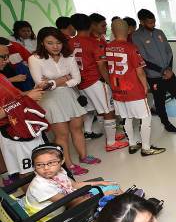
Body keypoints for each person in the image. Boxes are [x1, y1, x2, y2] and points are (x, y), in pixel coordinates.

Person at [29, 27, 100, 175]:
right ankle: (68, 164)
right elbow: (41, 84)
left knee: (77, 128)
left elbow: (77, 79)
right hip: (50, 100)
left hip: (69, 95)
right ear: (42, 43)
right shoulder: (35, 59)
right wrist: (63, 79)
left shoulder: (69, 56)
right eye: (50, 43)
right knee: (62, 134)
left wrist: (54, 82)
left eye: (58, 42)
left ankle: (84, 156)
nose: (55, 46)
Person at [132, 9, 176, 133]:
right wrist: (162, 71)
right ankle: (166, 123)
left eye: (154, 22)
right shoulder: (136, 37)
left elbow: (169, 52)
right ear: (142, 22)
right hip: (154, 76)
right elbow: (142, 59)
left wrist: (169, 69)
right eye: (149, 23)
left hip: (169, 73)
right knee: (160, 101)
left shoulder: (159, 32)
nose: (153, 25)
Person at [68, 13, 129, 150]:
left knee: (93, 109)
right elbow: (101, 66)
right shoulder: (92, 43)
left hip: (80, 82)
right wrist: (110, 83)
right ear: (91, 25)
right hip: (95, 81)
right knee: (108, 111)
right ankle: (111, 143)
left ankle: (99, 133)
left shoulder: (69, 42)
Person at [106, 19, 166, 157]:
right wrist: (145, 86)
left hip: (117, 90)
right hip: (133, 90)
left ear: (113, 31)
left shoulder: (108, 47)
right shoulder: (131, 48)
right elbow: (140, 71)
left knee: (126, 117)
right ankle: (146, 148)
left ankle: (132, 144)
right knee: (146, 117)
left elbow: (104, 66)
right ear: (128, 31)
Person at [24, 144, 122, 222]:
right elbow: (69, 202)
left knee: (111, 185)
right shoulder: (41, 185)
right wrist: (102, 194)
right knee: (112, 192)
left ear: (62, 161)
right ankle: (125, 213)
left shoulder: (60, 171)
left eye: (51, 163)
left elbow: (74, 185)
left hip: (68, 199)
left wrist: (99, 182)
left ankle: (126, 207)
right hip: (52, 216)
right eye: (39, 165)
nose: (46, 168)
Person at [0, 42, 46, 179]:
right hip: (13, 132)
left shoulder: (2, 77)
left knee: (40, 167)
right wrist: (26, 98)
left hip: (25, 127)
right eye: (3, 57)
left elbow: (17, 97)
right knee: (28, 173)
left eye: (7, 56)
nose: (7, 61)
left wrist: (35, 90)